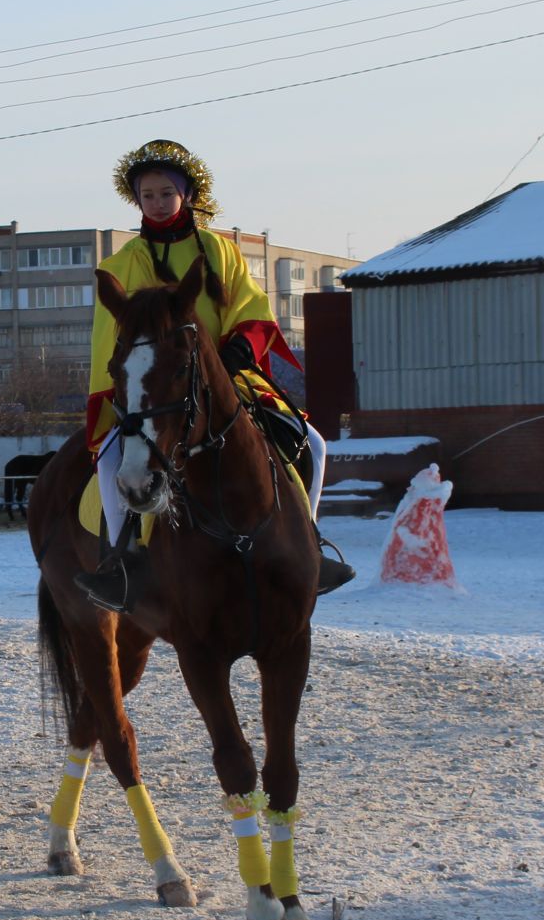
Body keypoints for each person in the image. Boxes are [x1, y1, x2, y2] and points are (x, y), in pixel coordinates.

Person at [77, 139, 353, 612]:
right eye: (148, 195)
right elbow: (114, 336)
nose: (158, 202)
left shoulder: (221, 253)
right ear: (137, 201)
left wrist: (245, 343)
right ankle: (124, 559)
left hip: (226, 375)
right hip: (158, 388)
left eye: (166, 192)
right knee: (109, 457)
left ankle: (309, 543)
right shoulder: (119, 265)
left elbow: (251, 306)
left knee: (316, 442)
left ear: (186, 194)